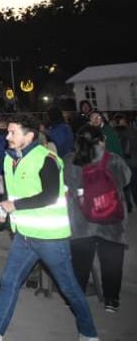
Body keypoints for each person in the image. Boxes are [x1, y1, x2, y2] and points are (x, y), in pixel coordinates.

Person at [0, 115, 98, 341]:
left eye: (13, 132)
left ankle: (89, 333)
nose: (7, 136)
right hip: (24, 235)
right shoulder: (9, 159)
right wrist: (5, 210)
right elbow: (13, 193)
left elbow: (50, 195)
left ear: (29, 135)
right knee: (8, 281)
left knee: (69, 288)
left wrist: (14, 205)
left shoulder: (47, 158)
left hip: (49, 238)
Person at [63, 125, 130, 314]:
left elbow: (66, 182)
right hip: (111, 221)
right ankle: (111, 300)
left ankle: (75, 300)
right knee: (112, 263)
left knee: (80, 263)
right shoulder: (114, 160)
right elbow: (126, 179)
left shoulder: (70, 160)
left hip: (81, 221)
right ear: (101, 140)